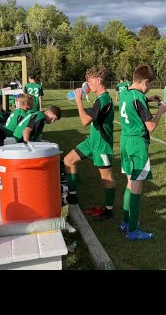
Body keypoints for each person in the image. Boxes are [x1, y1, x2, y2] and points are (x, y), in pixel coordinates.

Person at [118, 64, 166, 241]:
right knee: (137, 187)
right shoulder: (138, 97)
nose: (151, 88)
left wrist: (149, 99)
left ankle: (124, 222)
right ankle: (133, 230)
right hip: (137, 143)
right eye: (151, 85)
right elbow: (151, 126)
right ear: (145, 81)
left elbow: (136, 101)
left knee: (129, 183)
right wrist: (160, 111)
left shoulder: (124, 92)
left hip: (125, 141)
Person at [62, 67, 116, 223]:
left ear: (99, 81)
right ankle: (72, 195)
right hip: (92, 141)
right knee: (68, 160)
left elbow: (85, 121)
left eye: (90, 81)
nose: (87, 84)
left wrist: (78, 101)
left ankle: (109, 210)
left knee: (107, 179)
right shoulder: (99, 99)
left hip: (102, 145)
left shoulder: (104, 99)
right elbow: (91, 117)